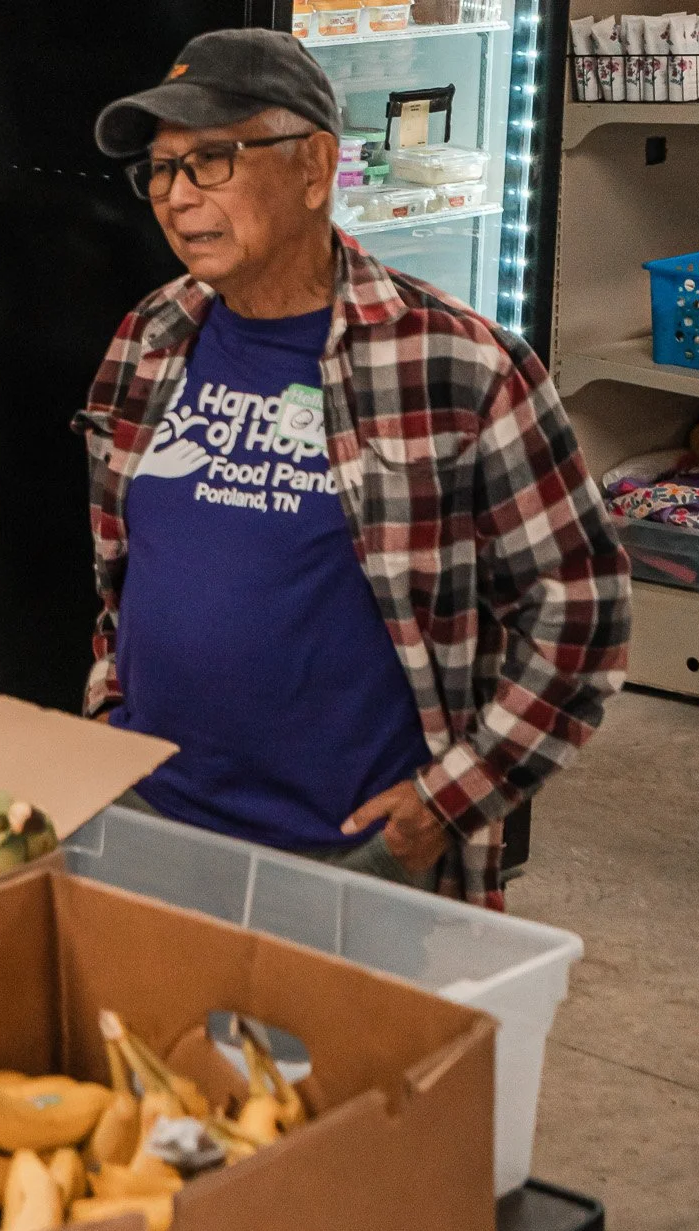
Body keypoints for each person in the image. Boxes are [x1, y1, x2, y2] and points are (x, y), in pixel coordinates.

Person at [77, 30, 630, 906]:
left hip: (353, 853)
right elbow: (122, 569)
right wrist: (109, 703)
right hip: (149, 814)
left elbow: (582, 606)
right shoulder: (151, 336)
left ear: (314, 166)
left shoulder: (458, 364)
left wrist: (446, 802)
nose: (176, 197)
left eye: (210, 160)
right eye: (160, 168)